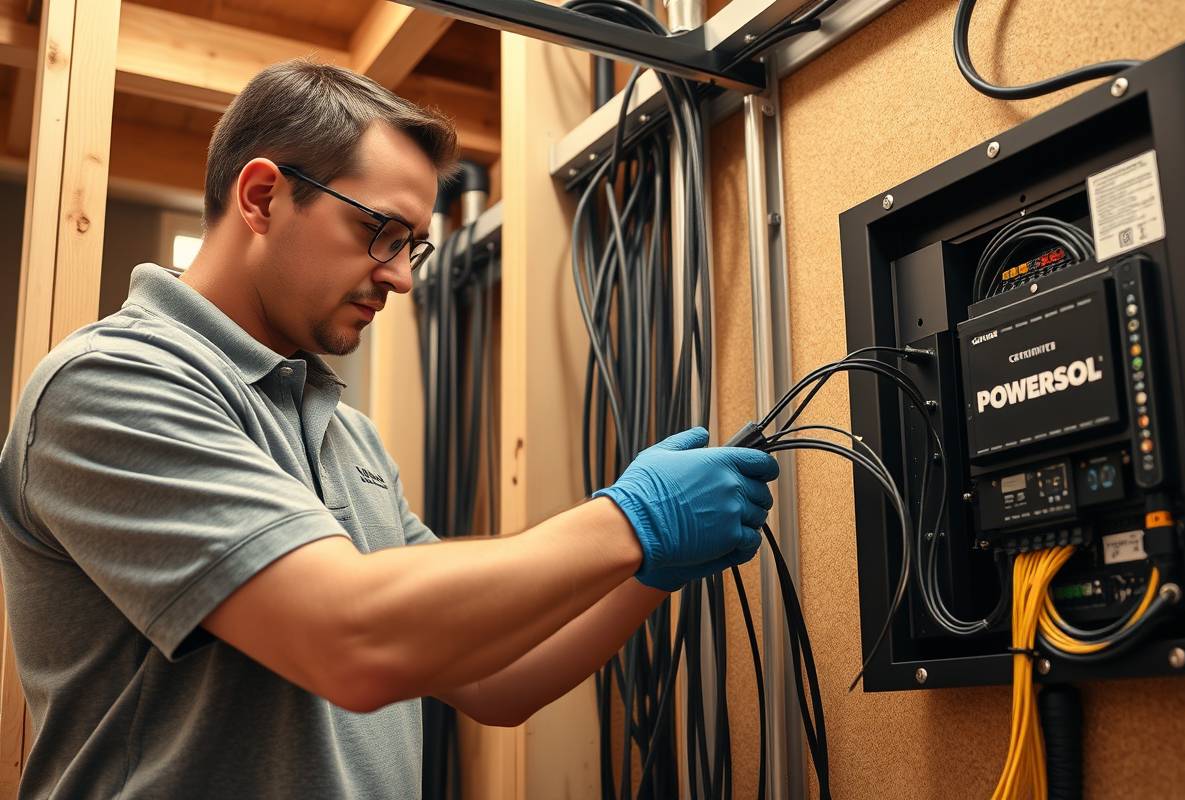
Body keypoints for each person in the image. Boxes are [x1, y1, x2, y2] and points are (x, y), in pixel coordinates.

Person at [0, 60, 777, 799]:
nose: (403, 276)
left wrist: (647, 568)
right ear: (263, 197)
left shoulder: (348, 437)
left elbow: (492, 678)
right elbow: (350, 640)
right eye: (383, 232)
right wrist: (631, 517)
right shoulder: (114, 384)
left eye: (413, 246)